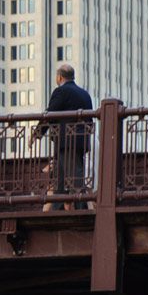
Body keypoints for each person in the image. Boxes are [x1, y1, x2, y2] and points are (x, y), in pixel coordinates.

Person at [39, 64, 93, 210]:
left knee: (74, 176)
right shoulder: (84, 94)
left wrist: (38, 133)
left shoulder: (61, 91)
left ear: (60, 77)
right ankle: (57, 209)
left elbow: (50, 114)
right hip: (80, 140)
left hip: (67, 141)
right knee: (61, 178)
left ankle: (82, 209)